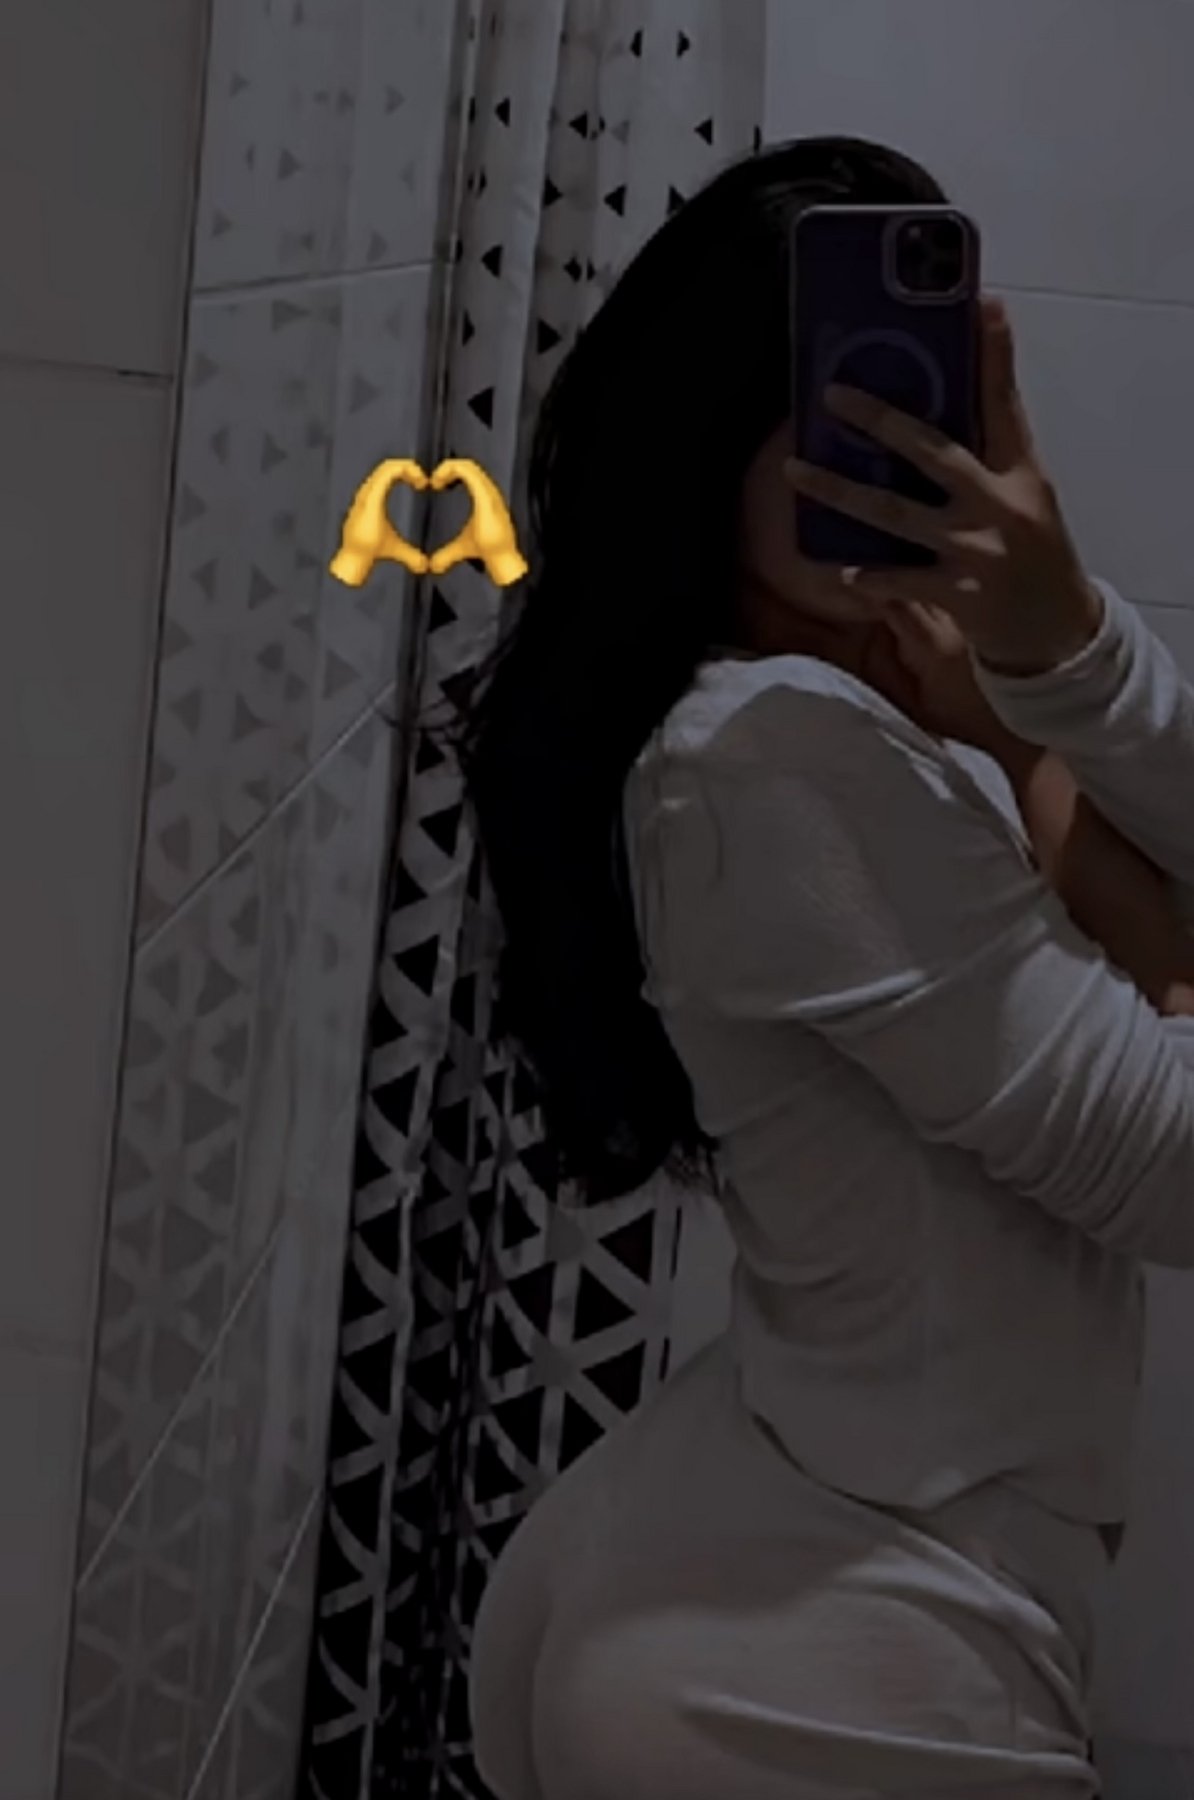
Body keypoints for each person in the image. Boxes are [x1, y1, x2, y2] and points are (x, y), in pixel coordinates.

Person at [460, 136, 1194, 1800]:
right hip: (838, 1644)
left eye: (921, 394)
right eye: (828, 400)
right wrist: (1085, 813)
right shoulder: (771, 752)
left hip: (830, 1547)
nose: (886, 439)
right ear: (705, 438)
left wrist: (1061, 657)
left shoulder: (862, 693)